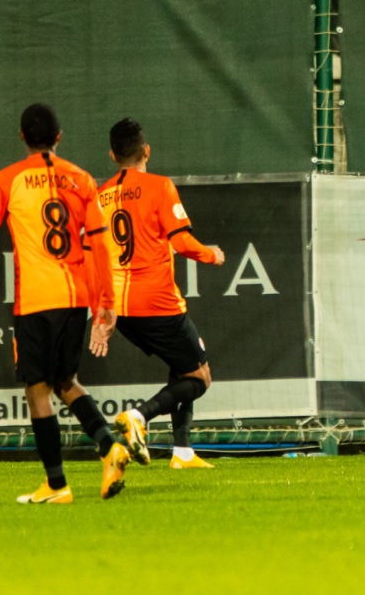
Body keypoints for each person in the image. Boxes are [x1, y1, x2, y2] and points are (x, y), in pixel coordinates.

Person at [0, 103, 132, 502]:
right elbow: (98, 244)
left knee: (36, 389)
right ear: (59, 137)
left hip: (35, 301)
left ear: (22, 136)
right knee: (65, 381)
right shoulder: (81, 179)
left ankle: (56, 485)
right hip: (74, 297)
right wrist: (104, 300)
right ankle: (109, 445)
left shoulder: (8, 179)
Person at [96, 118, 227, 468]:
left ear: (112, 155)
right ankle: (139, 416)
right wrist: (210, 254)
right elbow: (181, 241)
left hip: (122, 311)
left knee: (181, 366)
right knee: (201, 378)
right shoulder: (160, 186)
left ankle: (182, 451)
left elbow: (93, 257)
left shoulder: (100, 196)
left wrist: (101, 313)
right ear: (147, 151)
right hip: (158, 303)